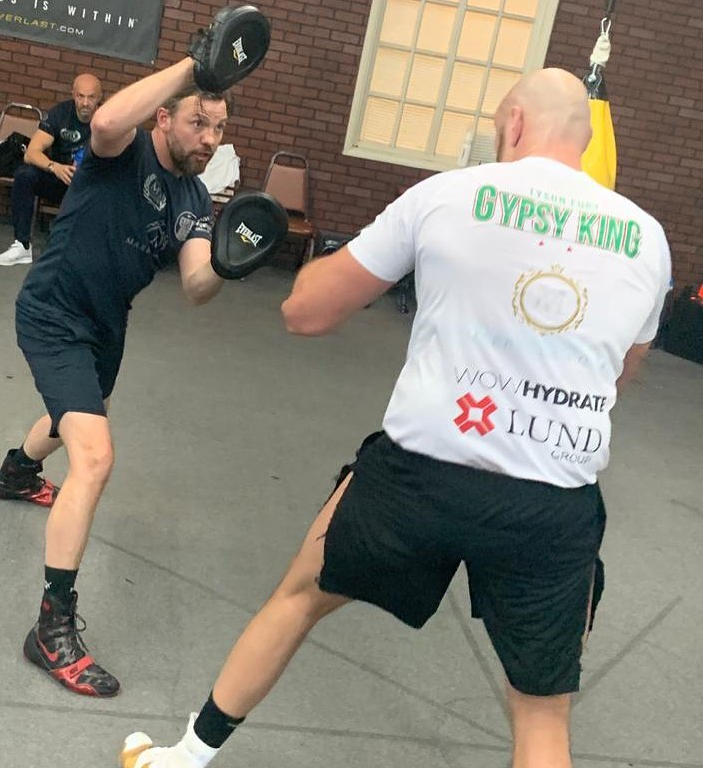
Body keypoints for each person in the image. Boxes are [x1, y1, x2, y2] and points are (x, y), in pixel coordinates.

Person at [119, 68, 671, 768]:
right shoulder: (648, 239)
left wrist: (269, 257)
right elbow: (624, 368)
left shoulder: (448, 195)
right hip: (551, 501)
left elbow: (306, 313)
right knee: (542, 716)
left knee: (297, 599)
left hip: (418, 477)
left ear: (516, 125)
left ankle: (185, 758)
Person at [0, 5, 273, 698]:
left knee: (72, 415)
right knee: (95, 455)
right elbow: (109, 121)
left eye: (221, 129)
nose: (210, 138)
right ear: (165, 119)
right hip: (55, 311)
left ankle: (16, 473)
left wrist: (233, 262)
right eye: (200, 121)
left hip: (106, 326)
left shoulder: (194, 198)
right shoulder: (124, 152)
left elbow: (197, 284)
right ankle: (51, 629)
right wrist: (191, 66)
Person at [0, 72, 103, 266]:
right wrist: (55, 167)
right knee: (25, 174)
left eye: (91, 97)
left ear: (99, 98)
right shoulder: (60, 113)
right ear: (73, 95)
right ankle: (22, 245)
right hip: (60, 178)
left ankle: (91, 253)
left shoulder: (108, 119)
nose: (85, 103)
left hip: (90, 184)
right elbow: (31, 153)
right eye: (80, 96)